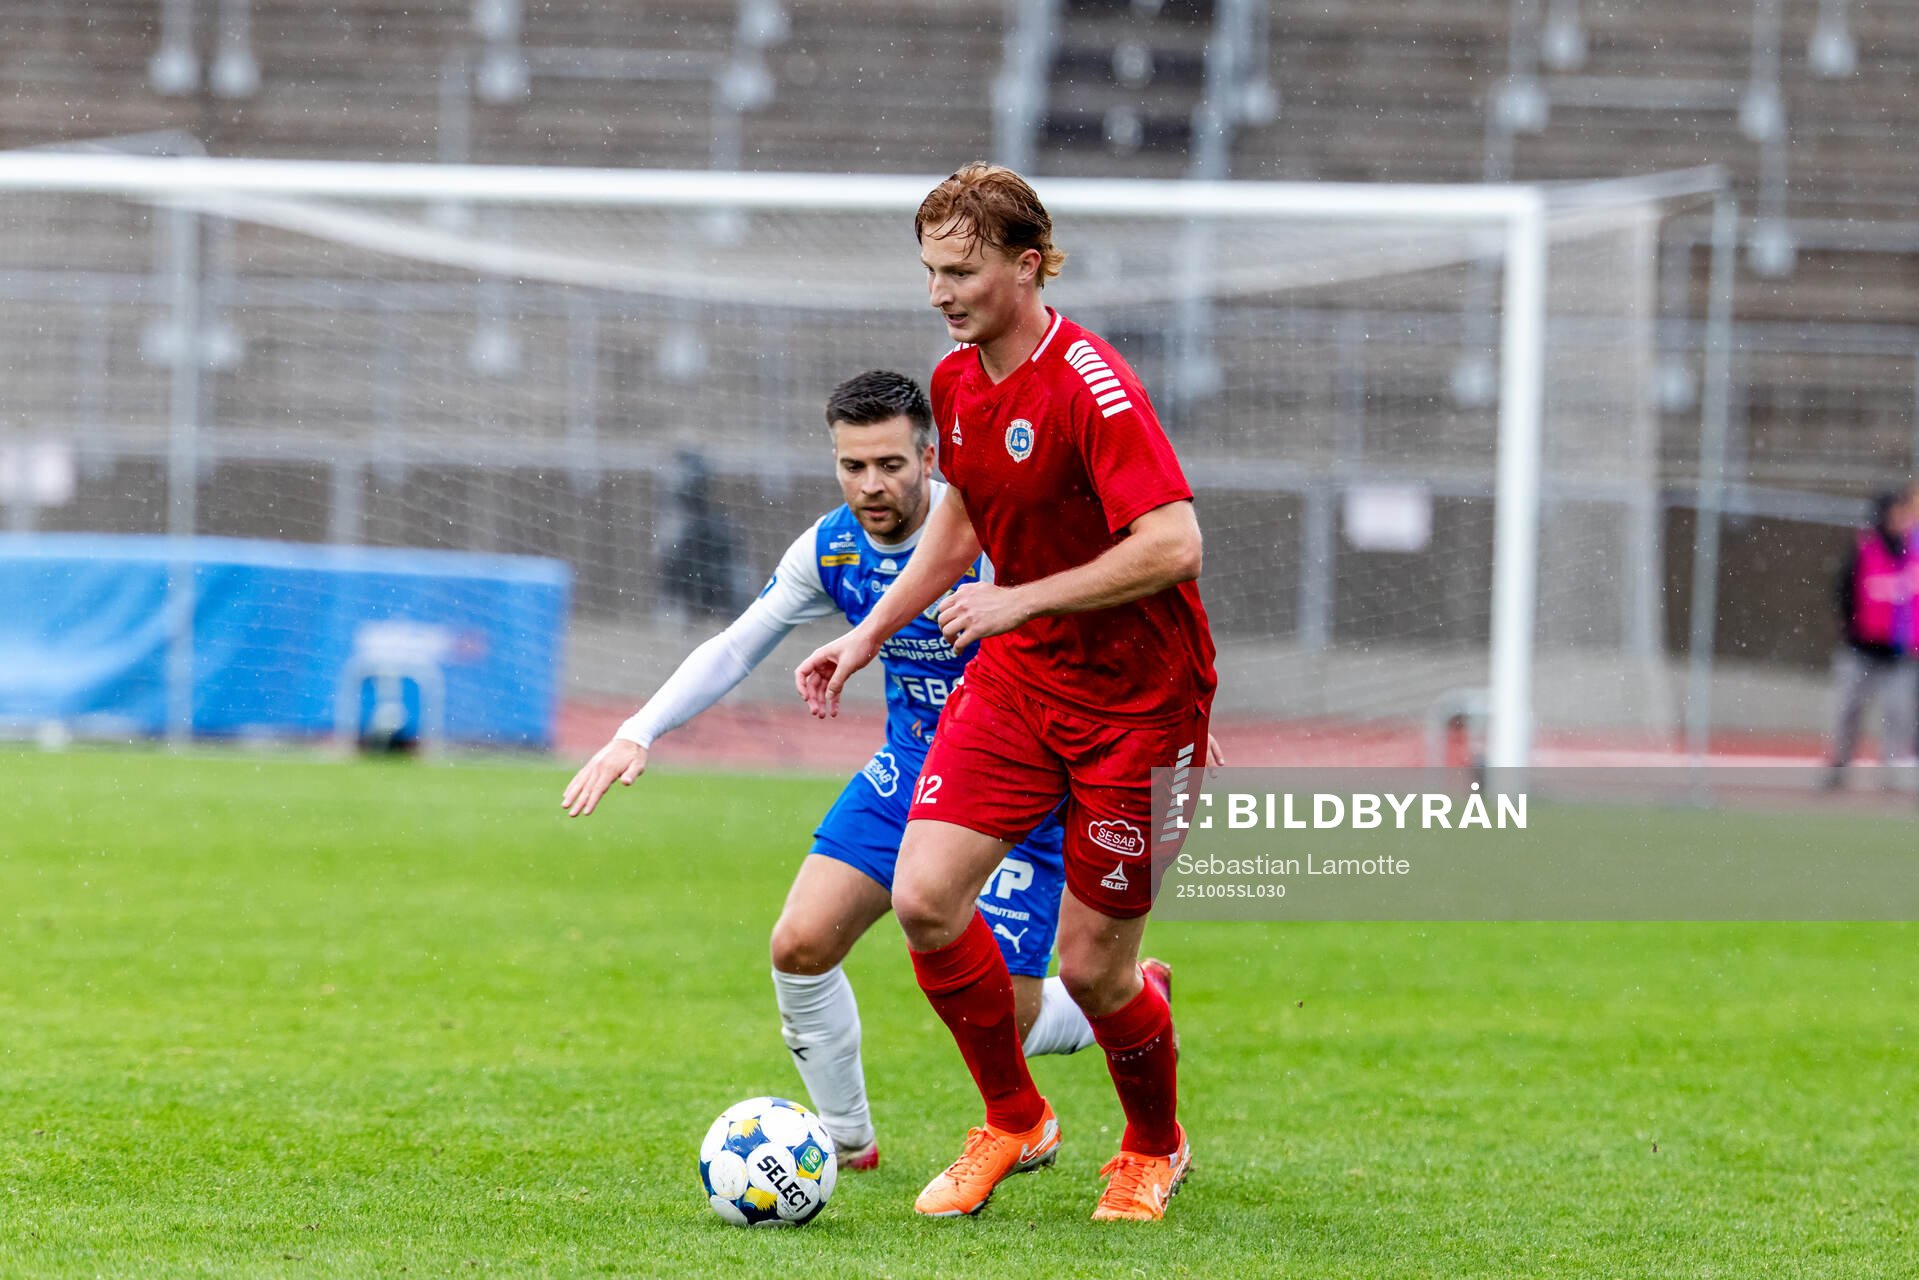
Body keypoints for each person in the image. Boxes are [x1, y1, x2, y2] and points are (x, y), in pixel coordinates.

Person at [796, 163, 1216, 1222]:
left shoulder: (1090, 385)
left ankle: (1152, 1145)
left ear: (1026, 265)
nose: (941, 292)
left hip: (1142, 704)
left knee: (1093, 963)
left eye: (963, 270)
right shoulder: (953, 379)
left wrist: (1021, 600)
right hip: (1022, 682)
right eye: (931, 270)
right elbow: (962, 521)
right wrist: (865, 633)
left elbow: (1172, 543)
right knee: (924, 897)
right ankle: (1015, 1115)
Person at [562, 369, 1100, 1171]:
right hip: (912, 767)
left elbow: (1097, 613)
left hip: (1015, 782)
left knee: (1009, 1017)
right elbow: (737, 643)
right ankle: (845, 1142)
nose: (871, 484)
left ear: (929, 456)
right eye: (852, 466)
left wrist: (1167, 710)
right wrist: (637, 732)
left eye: (890, 464)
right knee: (801, 944)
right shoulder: (831, 545)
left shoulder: (991, 529)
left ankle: (1112, 1005)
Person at [1824, 483, 1919, 788]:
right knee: (1848, 710)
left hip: (1900, 652)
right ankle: (1839, 767)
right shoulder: (1866, 548)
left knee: (1898, 714)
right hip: (1861, 648)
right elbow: (1843, 591)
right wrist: (1848, 626)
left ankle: (1890, 775)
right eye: (1897, 510)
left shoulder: (1913, 551)